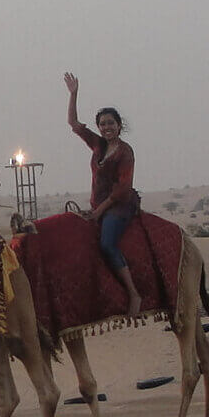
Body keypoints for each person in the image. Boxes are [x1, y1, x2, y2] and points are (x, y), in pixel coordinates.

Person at [64, 72, 142, 316]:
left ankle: (133, 294)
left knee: (107, 244)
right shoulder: (99, 145)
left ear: (119, 125)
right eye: (103, 124)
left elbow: (121, 190)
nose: (107, 127)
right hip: (98, 204)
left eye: (111, 123)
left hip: (118, 206)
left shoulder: (125, 153)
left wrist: (98, 212)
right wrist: (73, 94)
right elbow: (74, 125)